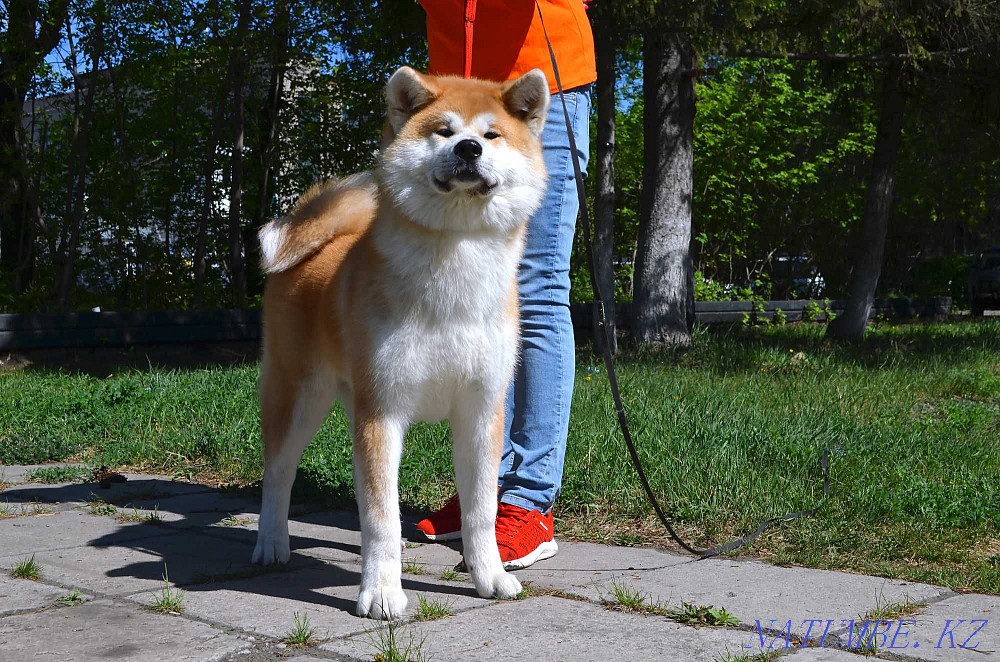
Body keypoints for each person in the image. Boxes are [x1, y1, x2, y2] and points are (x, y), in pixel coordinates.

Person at [414, 0, 596, 569]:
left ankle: (530, 500)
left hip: (538, 88)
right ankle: (483, 493)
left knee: (538, 287)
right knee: (483, 294)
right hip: (456, 94)